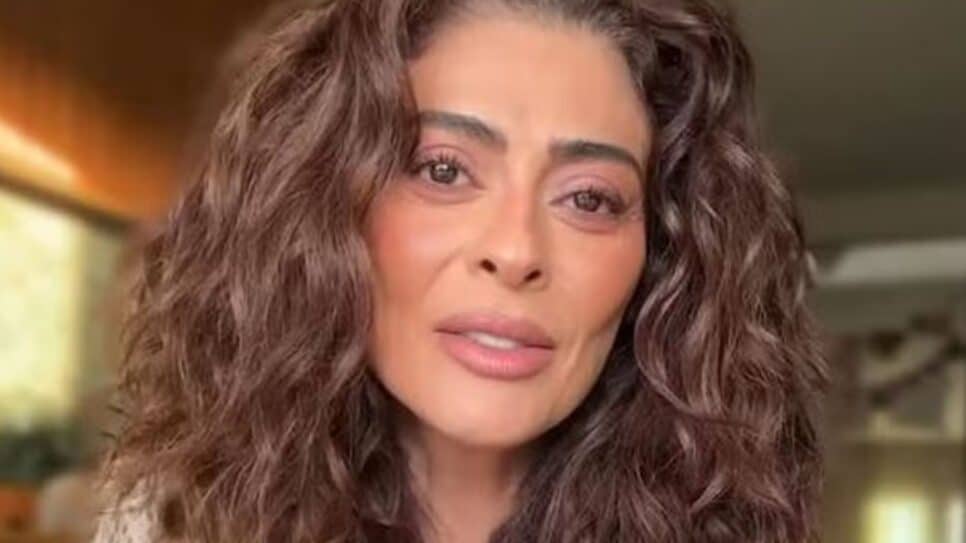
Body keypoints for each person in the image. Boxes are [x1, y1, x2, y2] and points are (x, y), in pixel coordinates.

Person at [93, 0, 829, 541]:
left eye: (589, 198)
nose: (516, 250)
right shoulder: (173, 524)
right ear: (321, 208)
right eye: (443, 169)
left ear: (661, 260)